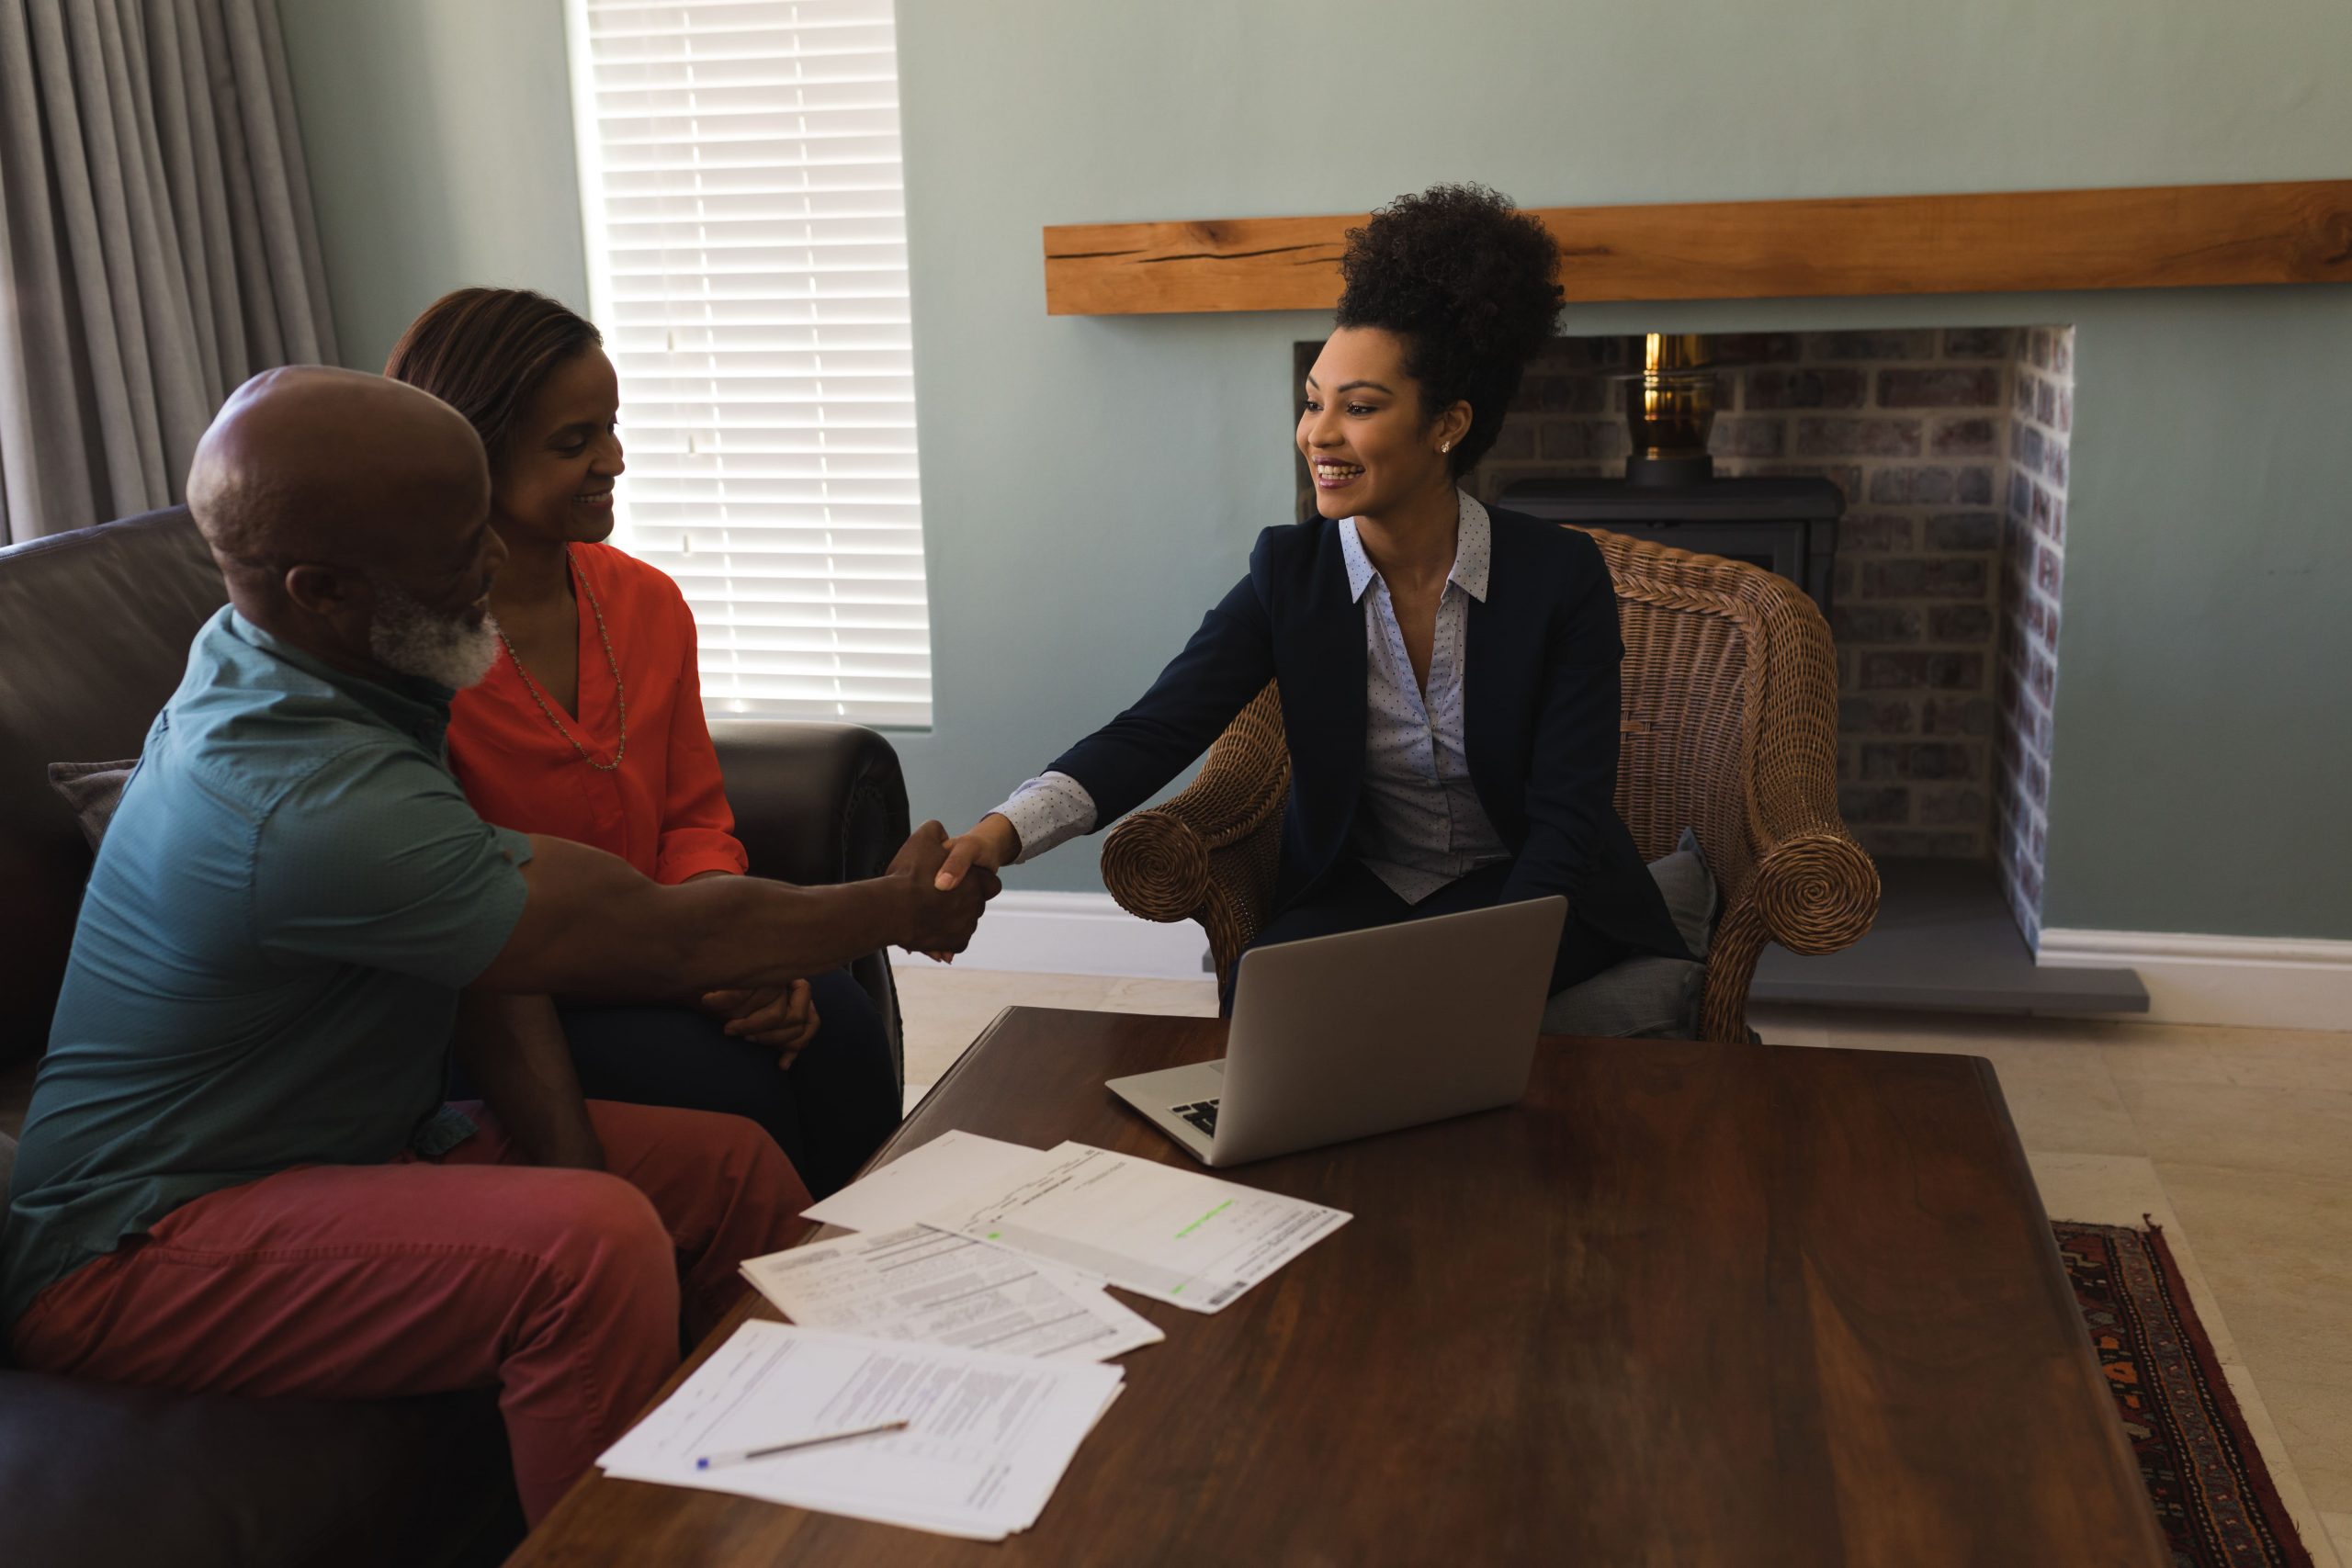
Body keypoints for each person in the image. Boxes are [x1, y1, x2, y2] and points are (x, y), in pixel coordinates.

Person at [0, 367, 995, 1525]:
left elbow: (496, 954)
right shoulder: (298, 792)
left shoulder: (306, 660)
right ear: (319, 588)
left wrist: (568, 1147)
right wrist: (895, 908)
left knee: (734, 1174)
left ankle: (828, 1489)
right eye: (449, 543)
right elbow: (651, 935)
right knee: (587, 1249)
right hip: (143, 1244)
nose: (489, 560)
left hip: (345, 1142)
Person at [933, 184, 1690, 1001]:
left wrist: (1496, 962)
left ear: (1449, 424)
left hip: (1531, 886)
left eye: (1359, 407)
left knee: (1426, 1003)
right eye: (1313, 401)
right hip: (1369, 886)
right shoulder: (1287, 574)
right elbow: (1155, 728)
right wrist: (1002, 832)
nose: (1318, 435)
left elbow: (1567, 817)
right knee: (1265, 991)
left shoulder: (1559, 577)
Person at [383, 288, 895, 1198]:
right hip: (512, 1003)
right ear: (467, 457)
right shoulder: (412, 654)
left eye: (611, 430)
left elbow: (695, 815)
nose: (613, 461)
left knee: (840, 1019)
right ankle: (746, 1327)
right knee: (731, 1088)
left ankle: (875, 1287)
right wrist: (687, 966)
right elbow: (477, 935)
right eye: (573, 443)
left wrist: (725, 943)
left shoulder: (646, 601)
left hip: (662, 948)